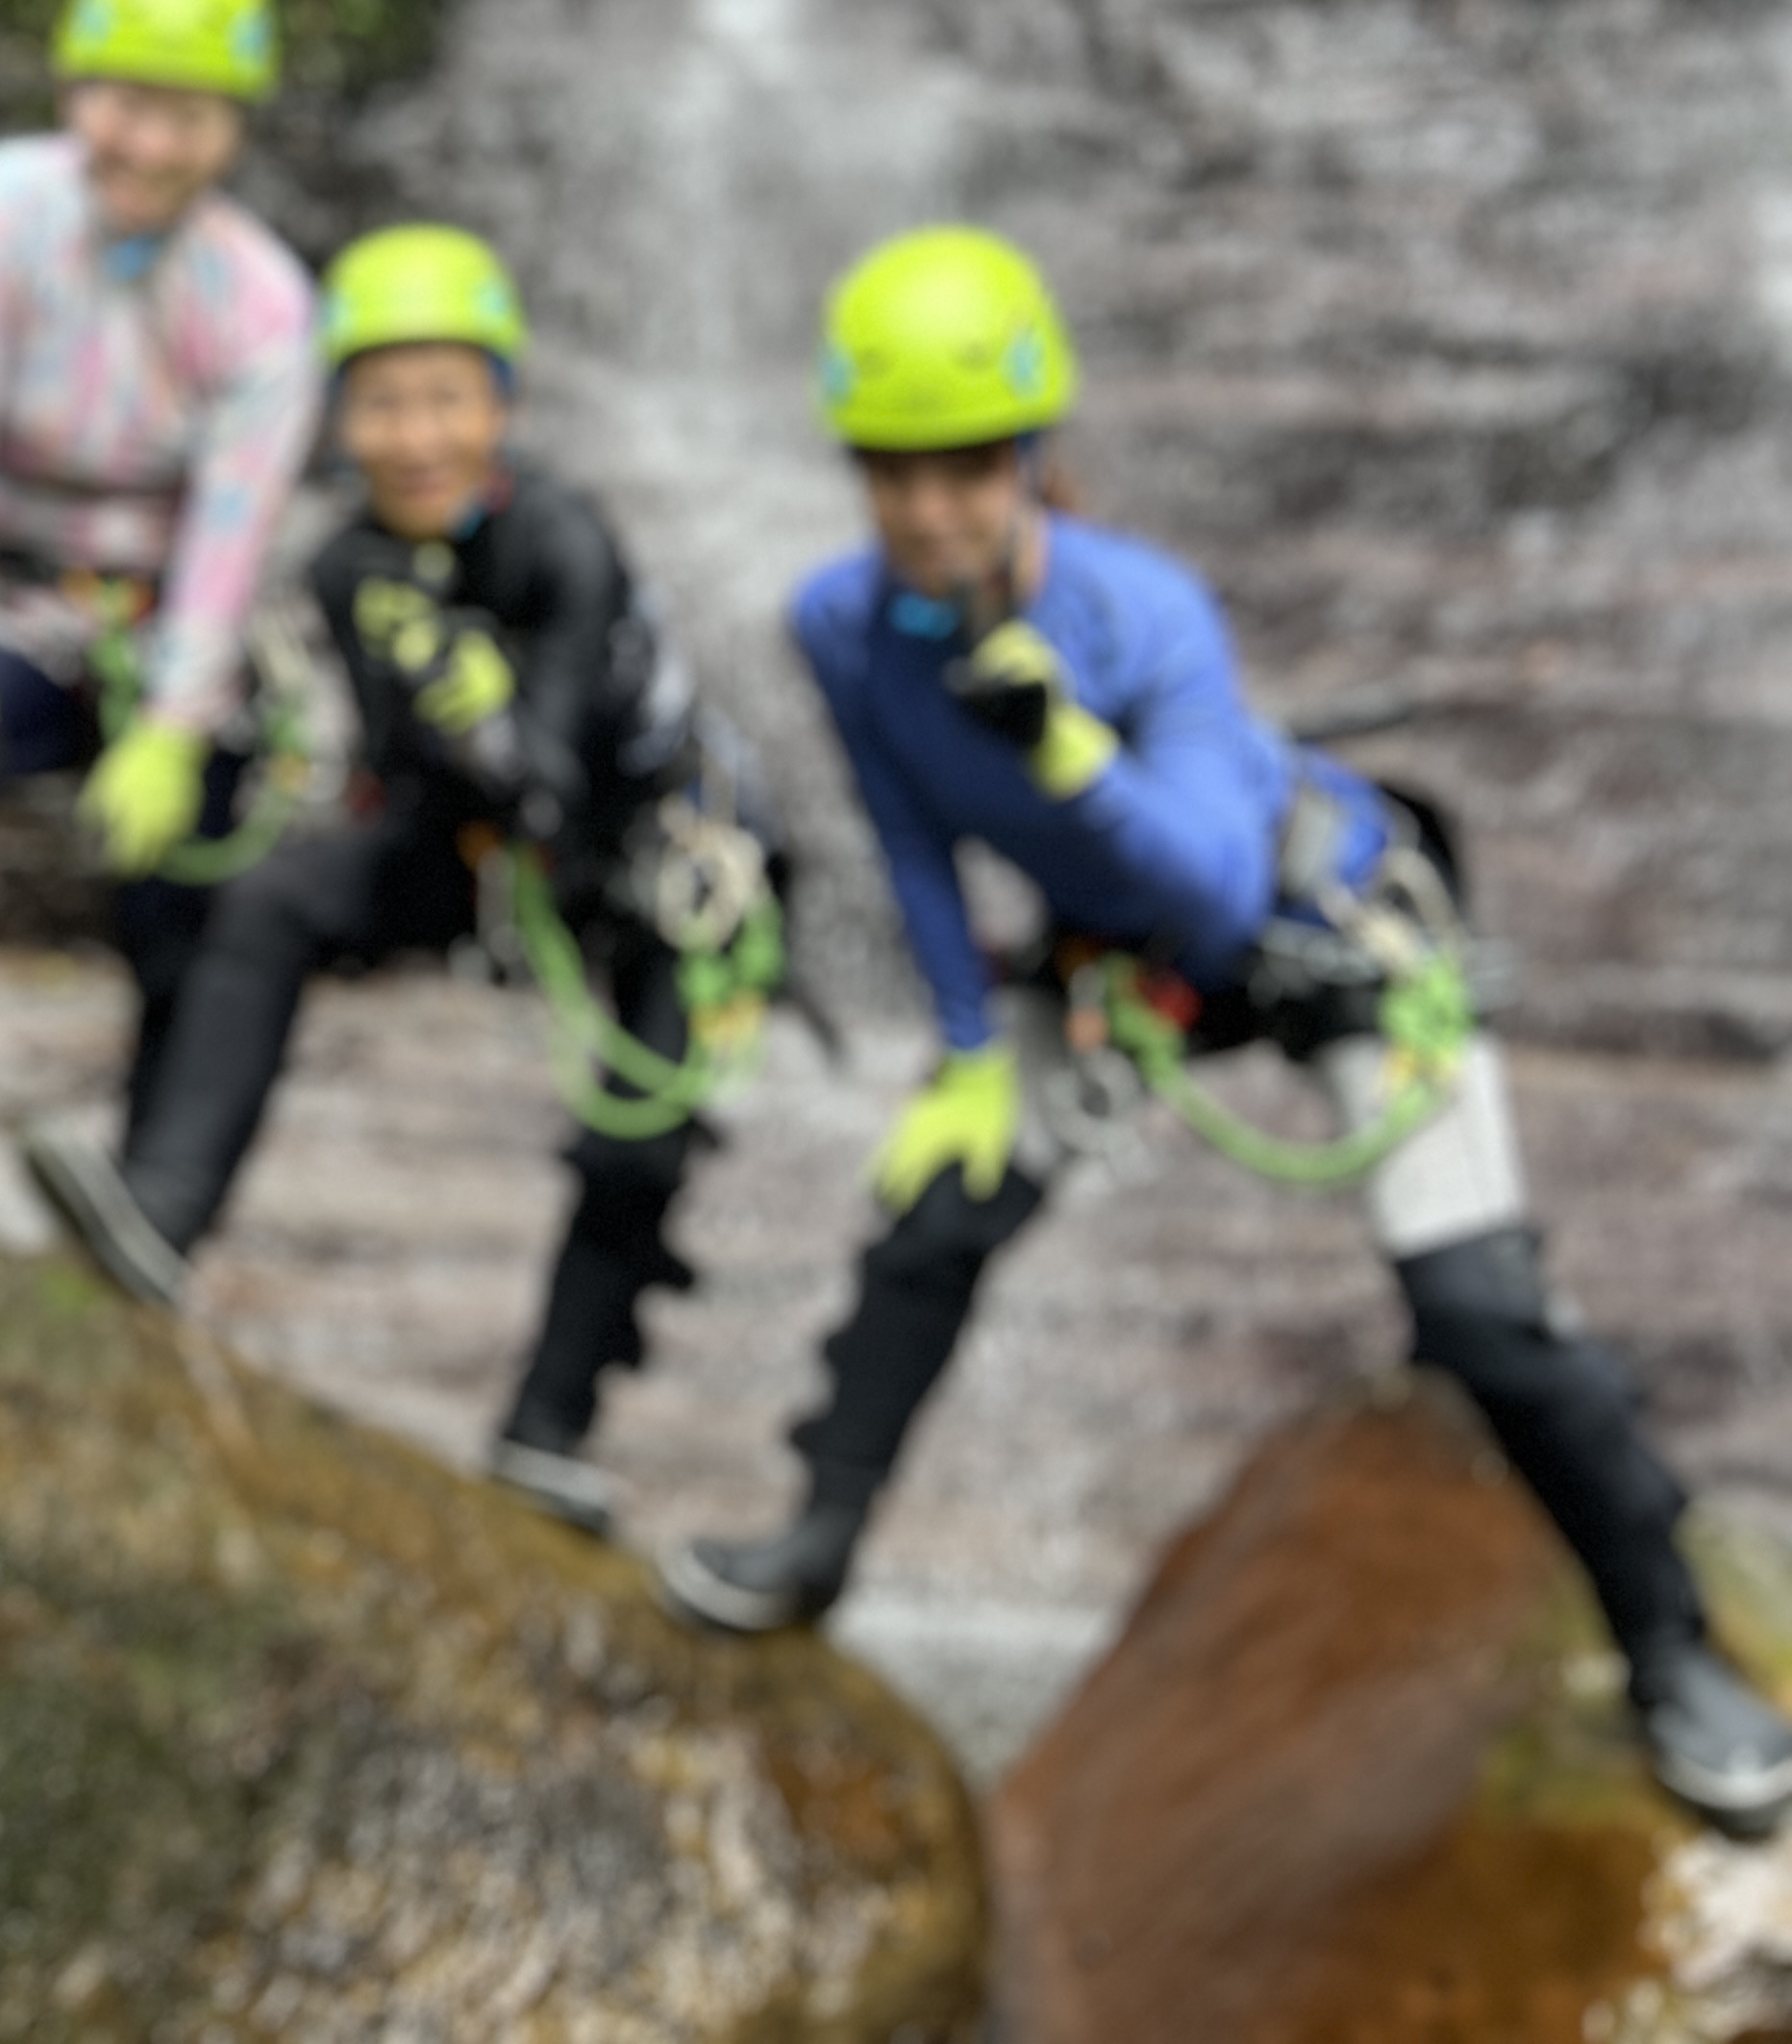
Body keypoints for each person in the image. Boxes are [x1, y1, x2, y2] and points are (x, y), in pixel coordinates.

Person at [657, 226, 1792, 1827]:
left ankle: (1673, 1648)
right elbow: (907, 838)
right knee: (935, 1215)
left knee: (1478, 1307)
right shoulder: (841, 623)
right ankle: (815, 1537)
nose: (926, 510)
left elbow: (1208, 892)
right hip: (1119, 957)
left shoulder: (1145, 614)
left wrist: (1066, 755)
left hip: (1319, 925)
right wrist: (971, 1045)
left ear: (1030, 454)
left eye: (967, 468)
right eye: (892, 471)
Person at [23, 227, 784, 1534]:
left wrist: (471, 711)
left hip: (661, 861)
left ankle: (550, 1429)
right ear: (339, 419)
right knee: (272, 899)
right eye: (382, 402)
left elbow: (546, 766)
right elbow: (405, 767)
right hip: (482, 847)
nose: (416, 434)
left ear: (502, 407)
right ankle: (161, 1215)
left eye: (445, 398)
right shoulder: (349, 563)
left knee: (636, 1140)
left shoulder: (561, 540)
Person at [0, 0, 320, 1173]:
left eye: (190, 117)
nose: (149, 144)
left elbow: (234, 531)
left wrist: (173, 716)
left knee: (192, 846)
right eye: (127, 103)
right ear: (73, 92)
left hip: (170, 627)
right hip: (12, 608)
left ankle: (146, 1178)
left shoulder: (263, 302)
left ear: (235, 129)